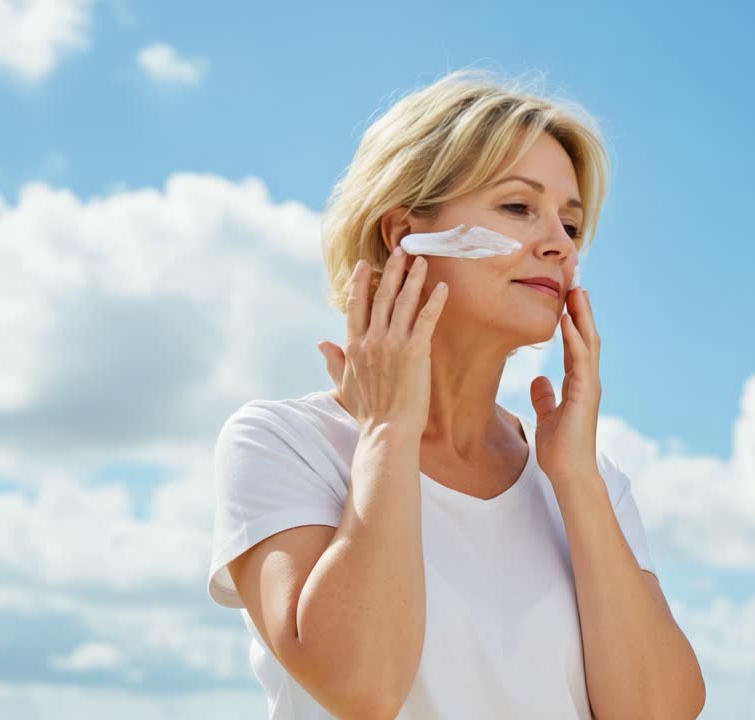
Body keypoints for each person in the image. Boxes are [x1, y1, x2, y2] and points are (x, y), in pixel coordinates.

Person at [205, 68, 706, 719]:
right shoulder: (283, 444)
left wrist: (575, 478)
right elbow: (362, 687)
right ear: (401, 235)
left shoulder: (586, 480)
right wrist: (388, 431)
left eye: (572, 226)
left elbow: (656, 713)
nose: (557, 244)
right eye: (518, 208)